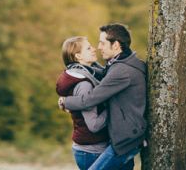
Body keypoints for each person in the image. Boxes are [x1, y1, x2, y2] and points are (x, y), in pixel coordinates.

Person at [58, 24, 147, 170]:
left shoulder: (121, 71)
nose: (98, 47)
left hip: (126, 139)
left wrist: (65, 101)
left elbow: (90, 99)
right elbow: (102, 72)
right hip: (125, 135)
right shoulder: (122, 63)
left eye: (102, 43)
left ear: (116, 45)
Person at [56, 36, 111, 170]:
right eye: (88, 48)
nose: (94, 49)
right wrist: (114, 106)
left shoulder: (87, 74)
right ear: (78, 56)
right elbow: (94, 125)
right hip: (92, 151)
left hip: (89, 148)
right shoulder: (84, 84)